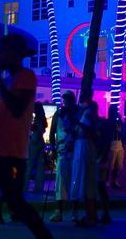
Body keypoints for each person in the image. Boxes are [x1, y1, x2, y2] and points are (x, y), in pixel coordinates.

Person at [0, 34, 54, 239]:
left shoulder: (26, 77)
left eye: (3, 51)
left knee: (15, 203)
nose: (0, 55)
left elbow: (17, 109)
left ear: (16, 54)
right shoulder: (10, 80)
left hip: (11, 154)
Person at [69, 95, 100, 226]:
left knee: (85, 179)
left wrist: (78, 123)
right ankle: (89, 214)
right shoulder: (86, 114)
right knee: (85, 180)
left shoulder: (88, 114)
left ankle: (90, 215)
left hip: (85, 148)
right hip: (82, 148)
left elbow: (89, 129)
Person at [48, 91, 77, 222]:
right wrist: (53, 149)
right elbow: (52, 132)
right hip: (61, 152)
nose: (66, 104)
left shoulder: (76, 115)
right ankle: (58, 211)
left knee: (74, 183)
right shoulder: (58, 114)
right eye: (65, 101)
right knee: (60, 183)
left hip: (74, 152)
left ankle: (74, 212)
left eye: (69, 101)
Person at [26, 102, 48, 194]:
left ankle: (24, 186)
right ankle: (39, 188)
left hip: (34, 141)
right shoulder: (42, 118)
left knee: (29, 165)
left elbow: (33, 129)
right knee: (40, 166)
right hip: (41, 142)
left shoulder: (36, 119)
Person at [105, 108, 125, 189]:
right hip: (112, 144)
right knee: (110, 166)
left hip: (119, 144)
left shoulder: (118, 122)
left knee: (118, 166)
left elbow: (122, 131)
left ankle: (114, 182)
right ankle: (106, 182)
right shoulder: (109, 122)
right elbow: (108, 133)